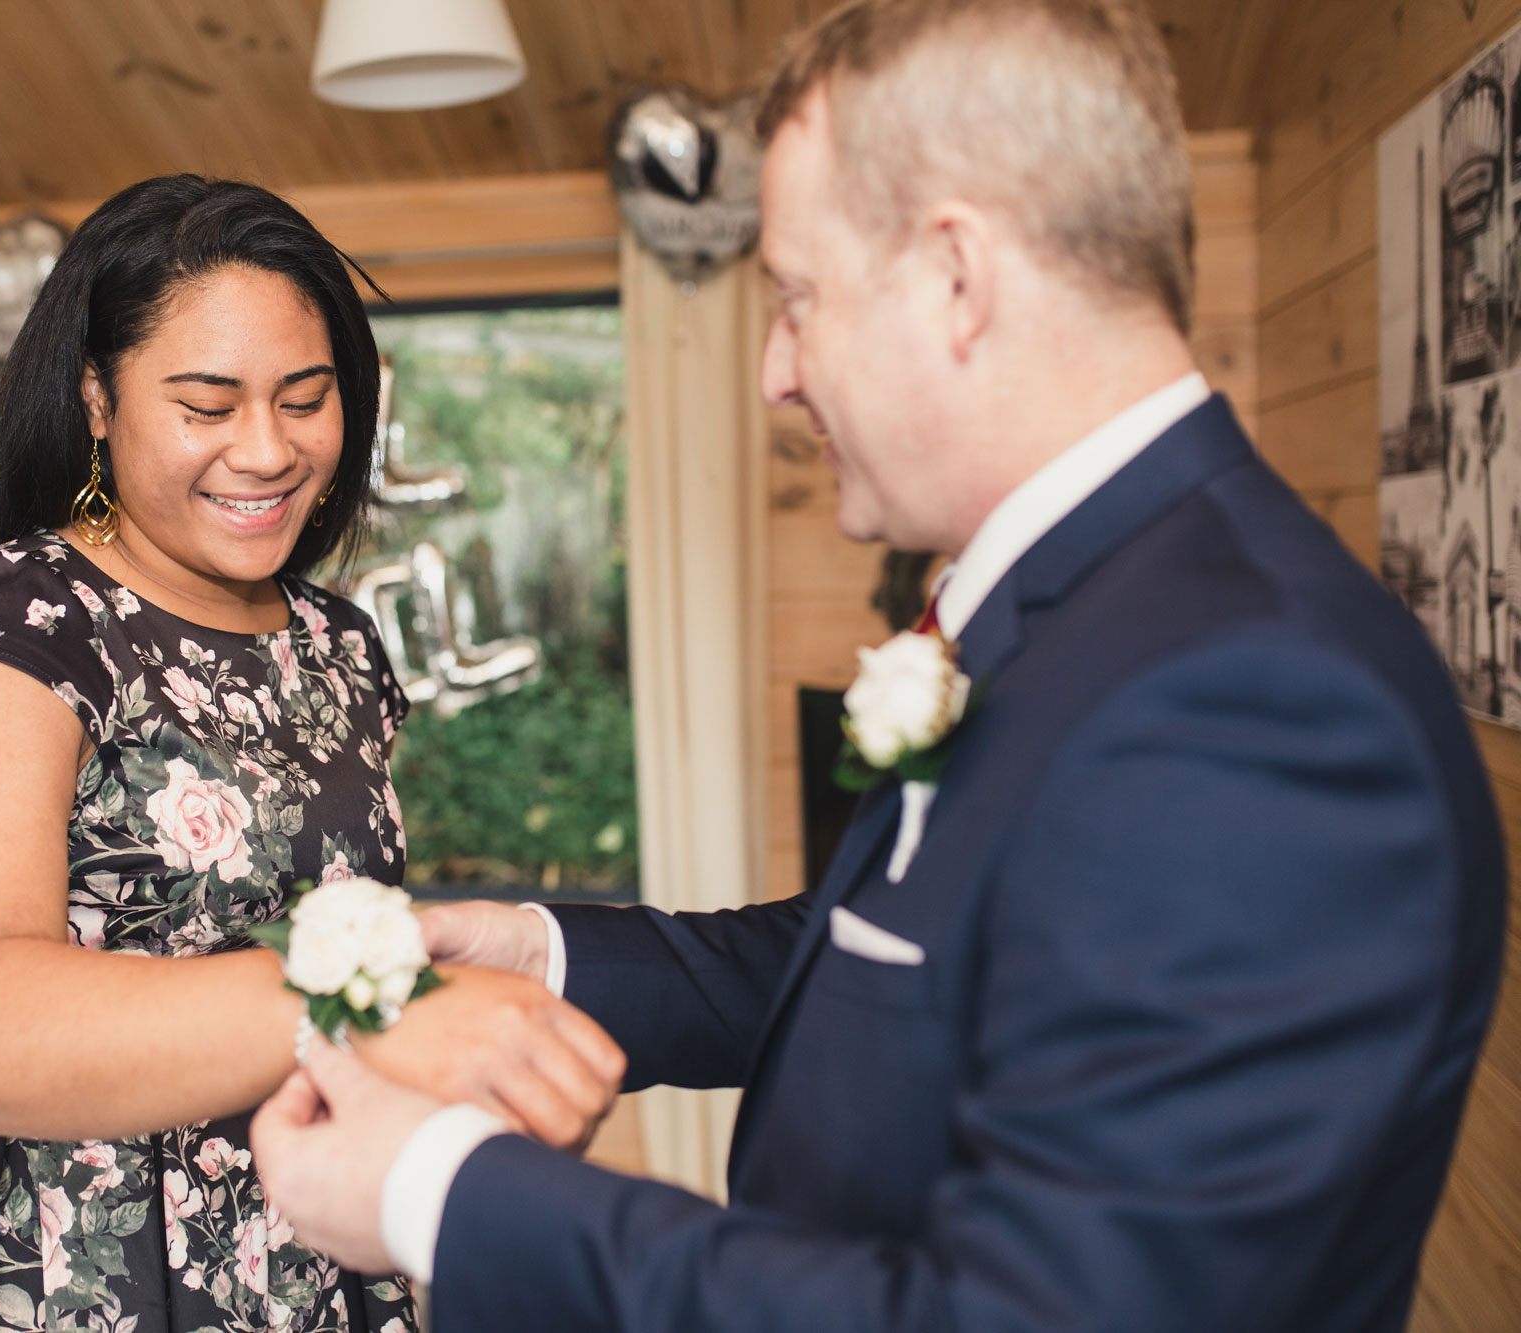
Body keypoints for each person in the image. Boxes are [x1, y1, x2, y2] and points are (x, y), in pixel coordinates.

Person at [247, 3, 1509, 1330]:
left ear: (957, 278)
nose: (779, 372)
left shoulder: (1255, 700)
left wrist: (442, 1193)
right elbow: (890, 956)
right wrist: (541, 951)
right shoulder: (1083, 597)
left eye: (795, 298)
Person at [0, 175, 623, 1333]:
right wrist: (364, 1010)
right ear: (96, 395)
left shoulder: (335, 642)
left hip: (301, 1225)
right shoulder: (3, 616)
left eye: (306, 398)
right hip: (55, 1253)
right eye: (206, 404)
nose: (267, 450)